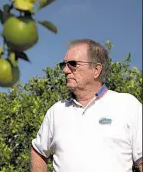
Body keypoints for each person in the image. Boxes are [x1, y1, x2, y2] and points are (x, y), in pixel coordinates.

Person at [30, 39, 142, 172]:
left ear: (96, 70)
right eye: (64, 65)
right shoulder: (56, 111)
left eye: (72, 64)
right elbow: (38, 151)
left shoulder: (127, 105)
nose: (65, 70)